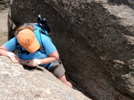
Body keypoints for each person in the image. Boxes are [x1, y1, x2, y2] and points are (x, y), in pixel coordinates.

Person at [0, 25, 72, 88]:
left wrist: (38, 61)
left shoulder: (42, 38)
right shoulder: (17, 40)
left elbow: (55, 57)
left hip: (51, 65)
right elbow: (1, 49)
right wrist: (11, 55)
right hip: (31, 67)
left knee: (64, 83)